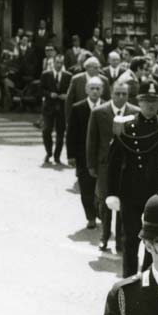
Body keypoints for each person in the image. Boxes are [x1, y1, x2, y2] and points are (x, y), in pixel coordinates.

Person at [106, 81, 158, 277]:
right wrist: (112, 193)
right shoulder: (126, 126)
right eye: (146, 101)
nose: (150, 105)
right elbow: (114, 163)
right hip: (131, 192)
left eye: (154, 101)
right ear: (139, 102)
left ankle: (149, 279)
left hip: (157, 194)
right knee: (130, 239)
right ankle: (129, 279)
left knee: (155, 241)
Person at [87, 80, 139, 252]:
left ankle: (120, 239)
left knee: (123, 202)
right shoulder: (99, 112)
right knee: (105, 202)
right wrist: (91, 164)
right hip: (105, 166)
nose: (121, 97)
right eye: (117, 93)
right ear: (111, 93)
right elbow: (92, 140)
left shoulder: (135, 112)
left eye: (124, 94)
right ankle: (104, 236)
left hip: (127, 166)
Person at [66, 76, 105, 229]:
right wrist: (71, 155)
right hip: (83, 155)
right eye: (92, 88)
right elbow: (71, 133)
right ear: (86, 90)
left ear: (102, 90)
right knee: (86, 187)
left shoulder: (107, 107)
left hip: (102, 156)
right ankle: (90, 217)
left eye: (98, 89)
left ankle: (102, 213)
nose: (95, 91)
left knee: (103, 188)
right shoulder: (78, 108)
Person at [39, 55, 71, 164]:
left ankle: (57, 156)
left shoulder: (68, 76)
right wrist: (49, 94)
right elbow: (40, 90)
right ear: (53, 63)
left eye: (61, 63)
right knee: (46, 130)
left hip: (61, 108)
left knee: (60, 133)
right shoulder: (46, 75)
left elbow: (71, 91)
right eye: (57, 62)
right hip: (49, 107)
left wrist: (66, 96)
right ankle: (49, 152)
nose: (59, 65)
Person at [65, 56, 110, 124]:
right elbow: (69, 101)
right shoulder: (76, 80)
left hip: (99, 117)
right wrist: (68, 120)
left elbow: (108, 100)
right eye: (96, 68)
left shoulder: (104, 80)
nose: (99, 70)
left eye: (99, 67)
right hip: (80, 116)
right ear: (87, 68)